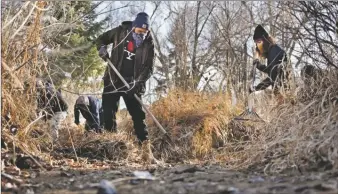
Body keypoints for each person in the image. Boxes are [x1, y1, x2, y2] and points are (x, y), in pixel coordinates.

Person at [96, 12, 156, 163]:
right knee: (108, 113)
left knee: (138, 116)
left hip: (133, 84)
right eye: (139, 31)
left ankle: (146, 150)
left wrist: (137, 83)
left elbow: (149, 68)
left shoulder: (149, 43)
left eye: (145, 32)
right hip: (113, 79)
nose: (141, 34)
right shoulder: (120, 32)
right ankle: (112, 147)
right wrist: (102, 49)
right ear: (134, 27)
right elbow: (101, 39)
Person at [249, 25, 289, 97]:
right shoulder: (273, 51)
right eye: (256, 43)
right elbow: (272, 72)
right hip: (282, 92)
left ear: (265, 40)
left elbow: (272, 77)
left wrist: (256, 88)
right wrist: (258, 65)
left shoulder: (275, 52)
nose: (257, 45)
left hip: (284, 94)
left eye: (259, 42)